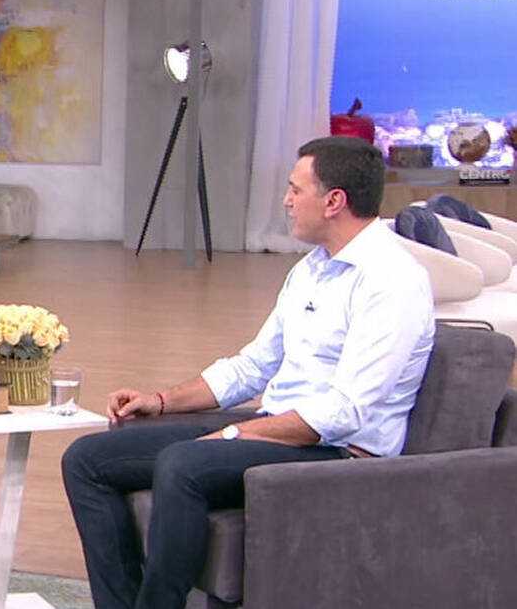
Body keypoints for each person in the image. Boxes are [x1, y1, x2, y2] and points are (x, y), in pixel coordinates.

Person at [61, 136, 435, 609]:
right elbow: (254, 365)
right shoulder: (312, 269)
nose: (286, 201)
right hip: (280, 427)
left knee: (183, 464)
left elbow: (346, 411)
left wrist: (237, 433)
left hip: (340, 451)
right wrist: (160, 401)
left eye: (296, 189)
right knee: (86, 460)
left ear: (334, 201)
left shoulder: (391, 280)